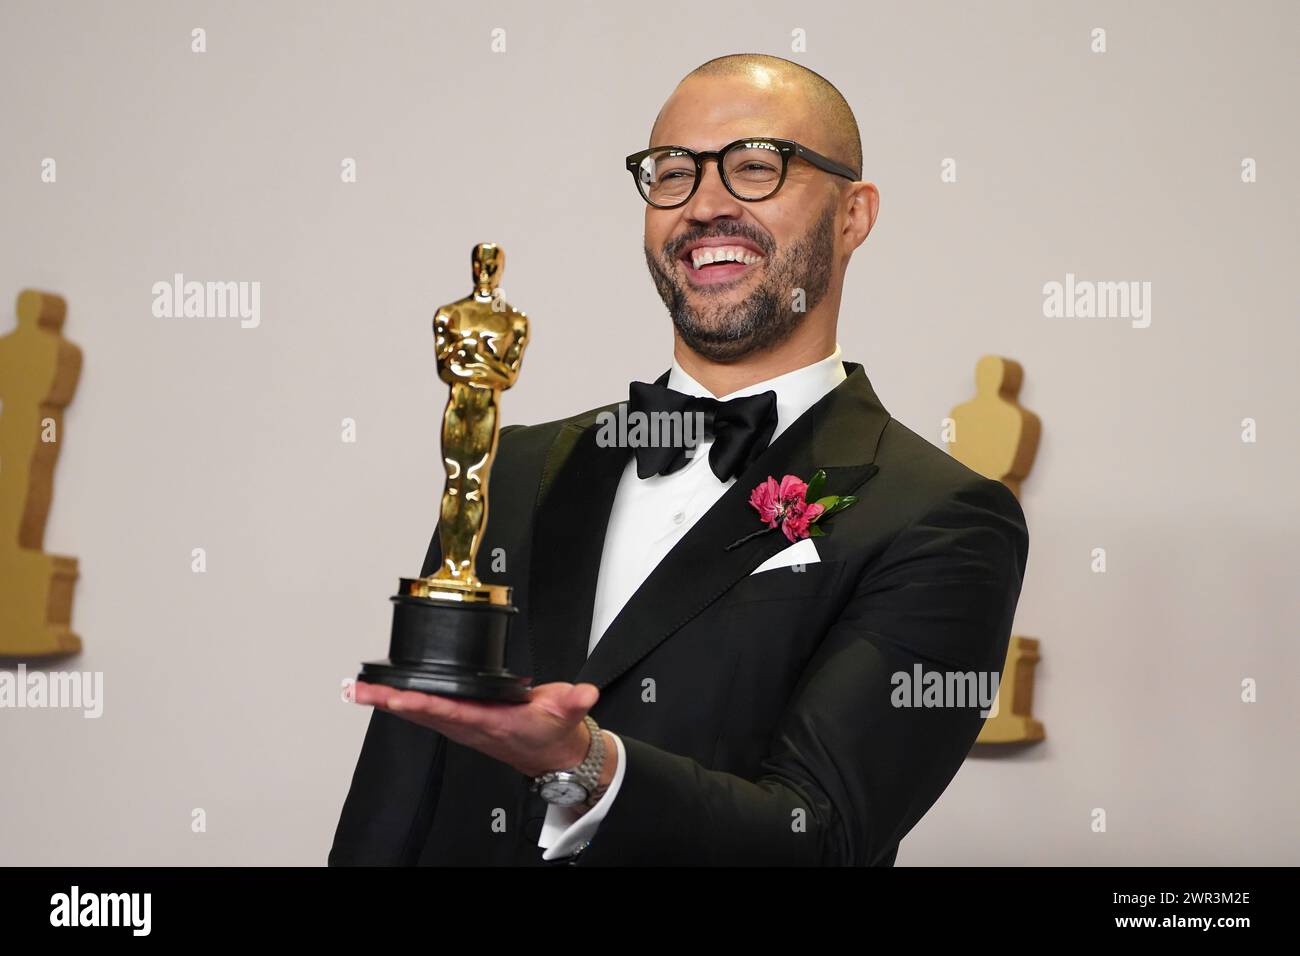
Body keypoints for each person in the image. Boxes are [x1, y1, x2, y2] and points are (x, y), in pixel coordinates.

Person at [329, 53, 1029, 866]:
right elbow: (398, 791)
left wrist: (585, 765)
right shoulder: (517, 465)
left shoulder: (939, 516)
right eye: (672, 173)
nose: (704, 206)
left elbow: (823, 835)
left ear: (854, 215)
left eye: (756, 167)